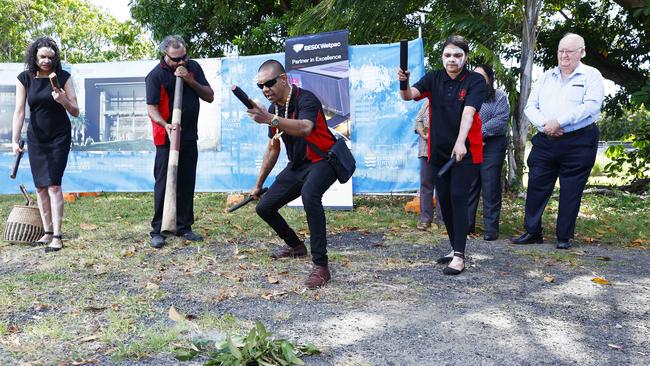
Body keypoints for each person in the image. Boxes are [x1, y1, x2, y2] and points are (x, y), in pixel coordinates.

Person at [397, 35, 486, 275]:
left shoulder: (475, 81)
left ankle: (459, 256)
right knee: (444, 201)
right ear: (442, 57)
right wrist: (403, 83)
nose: (452, 60)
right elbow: (408, 96)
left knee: (458, 196)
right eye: (448, 55)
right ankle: (454, 247)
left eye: (457, 55)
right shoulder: (434, 78)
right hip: (437, 151)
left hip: (465, 151)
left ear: (465, 57)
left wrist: (460, 143)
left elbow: (468, 114)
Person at [246, 59, 338, 288]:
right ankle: (295, 246)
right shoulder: (274, 109)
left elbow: (305, 127)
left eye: (269, 83)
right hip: (297, 166)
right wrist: (258, 184)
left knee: (310, 195)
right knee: (264, 207)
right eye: (261, 86)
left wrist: (270, 119)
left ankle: (321, 266)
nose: (265, 89)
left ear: (284, 79)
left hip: (324, 161)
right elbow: (273, 147)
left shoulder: (306, 98)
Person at [512, 33, 604, 250]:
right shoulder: (546, 76)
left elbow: (591, 106)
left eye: (569, 51)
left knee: (571, 189)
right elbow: (530, 106)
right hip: (546, 139)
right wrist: (546, 124)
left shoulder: (591, 75)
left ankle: (563, 236)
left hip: (579, 141)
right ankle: (533, 232)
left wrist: (559, 122)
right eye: (561, 51)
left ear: (581, 52)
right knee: (536, 186)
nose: (564, 55)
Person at [146, 35, 214, 248]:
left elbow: (209, 96)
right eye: (175, 59)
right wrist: (165, 125)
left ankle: (184, 226)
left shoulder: (193, 67)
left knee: (186, 180)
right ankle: (158, 230)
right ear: (165, 56)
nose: (180, 62)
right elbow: (152, 109)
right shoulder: (155, 76)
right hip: (166, 136)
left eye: (183, 57)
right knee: (164, 182)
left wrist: (189, 79)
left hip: (188, 136)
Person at [12, 37, 79, 252]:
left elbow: (75, 110)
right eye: (42, 56)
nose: (46, 61)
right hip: (36, 137)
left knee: (54, 185)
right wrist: (14, 140)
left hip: (59, 136)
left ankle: (57, 235)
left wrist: (63, 100)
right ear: (35, 56)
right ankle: (47, 232)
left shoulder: (63, 77)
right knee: (41, 187)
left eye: (51, 57)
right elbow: (20, 111)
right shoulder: (25, 78)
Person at [467, 64, 510, 241]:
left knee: (490, 185)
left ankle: (491, 230)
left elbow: (500, 120)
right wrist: (472, 137)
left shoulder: (500, 97)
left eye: (481, 77)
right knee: (469, 186)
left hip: (493, 144)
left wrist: (479, 133)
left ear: (489, 79)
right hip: (470, 144)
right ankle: (466, 225)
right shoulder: (468, 96)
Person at [414, 102, 443, 230]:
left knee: (442, 186)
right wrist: (422, 132)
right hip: (426, 150)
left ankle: (443, 220)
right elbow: (418, 121)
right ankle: (426, 220)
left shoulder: (447, 102)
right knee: (426, 185)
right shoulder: (426, 104)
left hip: (443, 151)